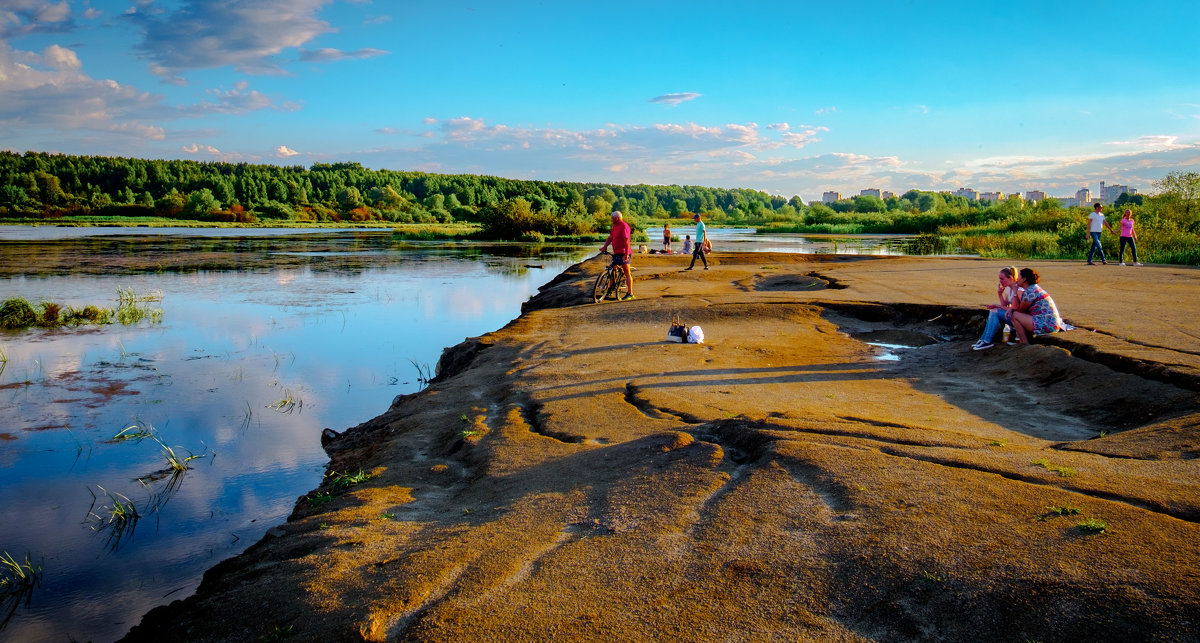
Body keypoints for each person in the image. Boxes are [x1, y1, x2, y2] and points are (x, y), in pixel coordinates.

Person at [972, 266, 1024, 350]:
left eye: (1002, 279)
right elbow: (1005, 305)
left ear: (1010, 278)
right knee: (994, 310)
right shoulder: (1009, 289)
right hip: (1014, 317)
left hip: (1020, 320)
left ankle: (987, 341)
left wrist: (997, 306)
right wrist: (1000, 294)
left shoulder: (1019, 290)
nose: (1000, 281)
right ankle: (984, 339)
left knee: (995, 310)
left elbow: (1016, 309)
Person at [1009, 268, 1064, 344]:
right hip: (1051, 324)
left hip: (1046, 325)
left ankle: (1024, 342)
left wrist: (1015, 291)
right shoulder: (1033, 288)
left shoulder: (1030, 291)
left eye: (1018, 276)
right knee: (1018, 315)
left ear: (1024, 279)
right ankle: (1025, 341)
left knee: (1014, 315)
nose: (1016, 279)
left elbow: (1020, 310)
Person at [599, 210, 634, 300]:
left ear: (617, 218)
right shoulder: (615, 226)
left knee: (627, 272)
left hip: (624, 252)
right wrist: (604, 247)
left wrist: (626, 255)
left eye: (612, 218)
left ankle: (630, 293)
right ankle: (610, 288)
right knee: (612, 268)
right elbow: (610, 237)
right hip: (616, 252)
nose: (611, 220)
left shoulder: (624, 226)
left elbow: (626, 241)